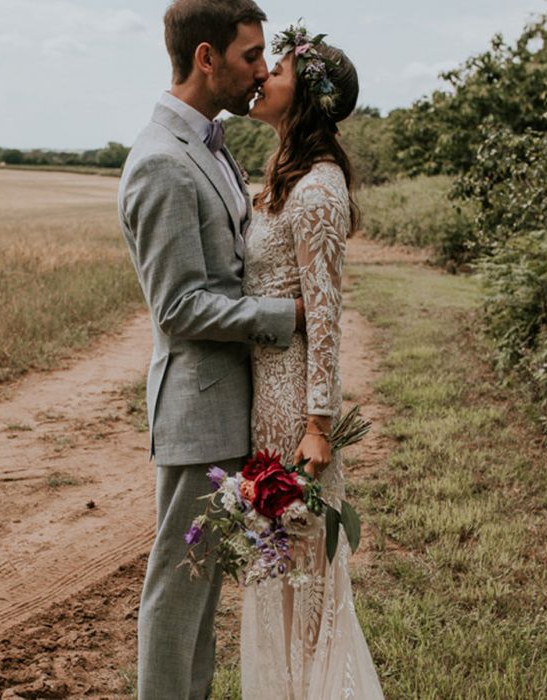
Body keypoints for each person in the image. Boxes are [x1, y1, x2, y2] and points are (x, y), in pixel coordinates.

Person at [116, 2, 305, 698]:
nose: (261, 69)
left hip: (226, 406)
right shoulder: (163, 162)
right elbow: (179, 305)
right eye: (251, 55)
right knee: (180, 588)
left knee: (204, 589)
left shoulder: (209, 144)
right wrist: (290, 315)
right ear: (206, 57)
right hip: (199, 412)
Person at [240, 22, 385, 699]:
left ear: (305, 99)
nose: (263, 74)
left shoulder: (321, 188)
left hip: (296, 402)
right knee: (282, 573)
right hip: (267, 393)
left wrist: (318, 426)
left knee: (304, 575)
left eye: (278, 69)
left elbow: (325, 315)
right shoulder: (286, 173)